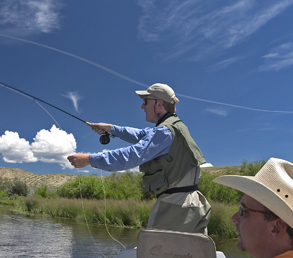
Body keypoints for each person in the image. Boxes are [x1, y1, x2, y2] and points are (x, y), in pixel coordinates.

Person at [67, 83, 211, 234]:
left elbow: (131, 156)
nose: (142, 107)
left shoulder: (164, 132)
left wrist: (89, 159)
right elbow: (141, 134)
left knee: (158, 254)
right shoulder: (174, 126)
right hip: (192, 203)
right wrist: (110, 128)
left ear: (159, 103)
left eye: (145, 102)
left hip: (175, 206)